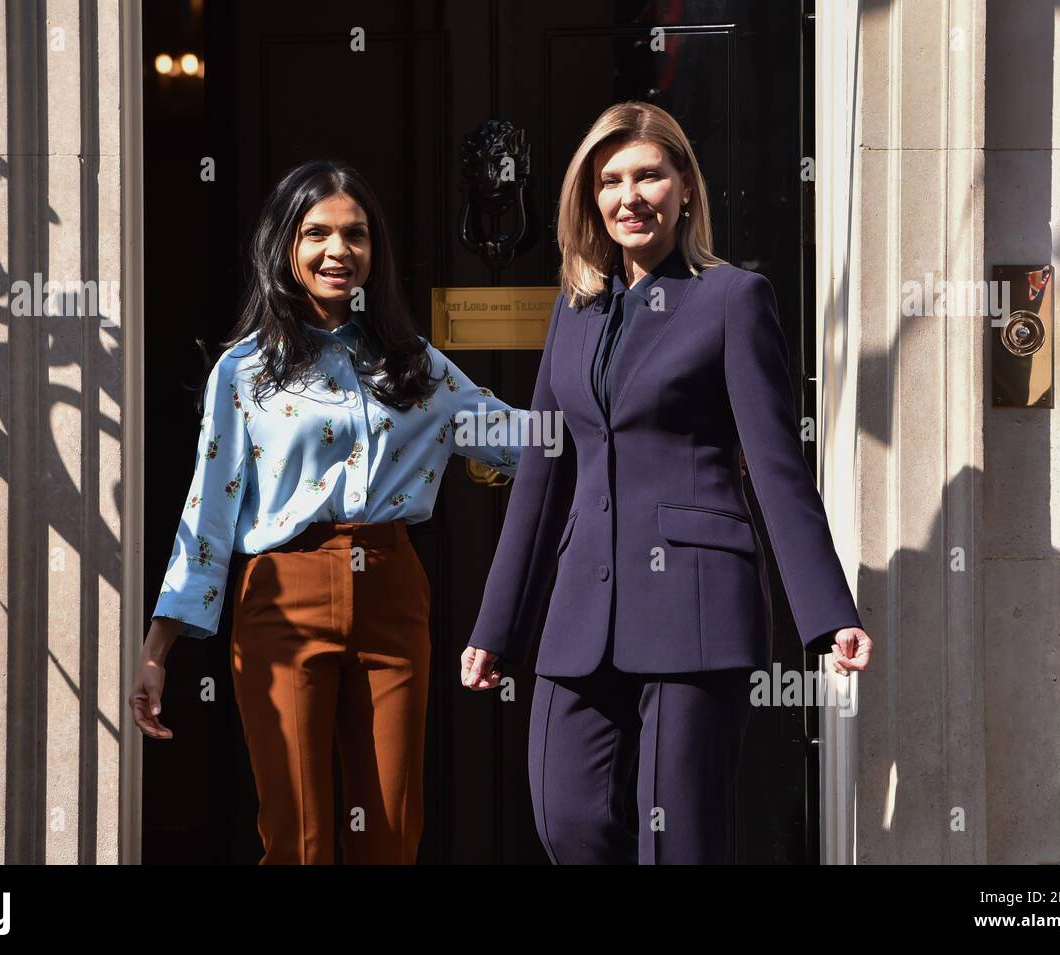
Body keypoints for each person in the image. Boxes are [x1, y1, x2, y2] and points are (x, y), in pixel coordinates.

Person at [460, 101, 874, 864]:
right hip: (581, 609)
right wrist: (497, 626)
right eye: (610, 180)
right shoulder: (574, 308)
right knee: (568, 820)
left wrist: (826, 613)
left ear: (684, 185)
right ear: (589, 197)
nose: (630, 195)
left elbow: (779, 468)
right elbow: (542, 479)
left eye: (649, 174)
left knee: (679, 840)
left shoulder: (733, 299)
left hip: (696, 603)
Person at [131, 159, 526, 864]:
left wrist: (644, 430)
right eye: (317, 232)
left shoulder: (416, 366)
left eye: (356, 234)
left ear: (376, 253)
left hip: (392, 593)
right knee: (299, 837)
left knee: (391, 831)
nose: (338, 250)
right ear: (284, 246)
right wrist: (158, 649)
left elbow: (517, 440)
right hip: (283, 597)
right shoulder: (244, 371)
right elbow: (209, 508)